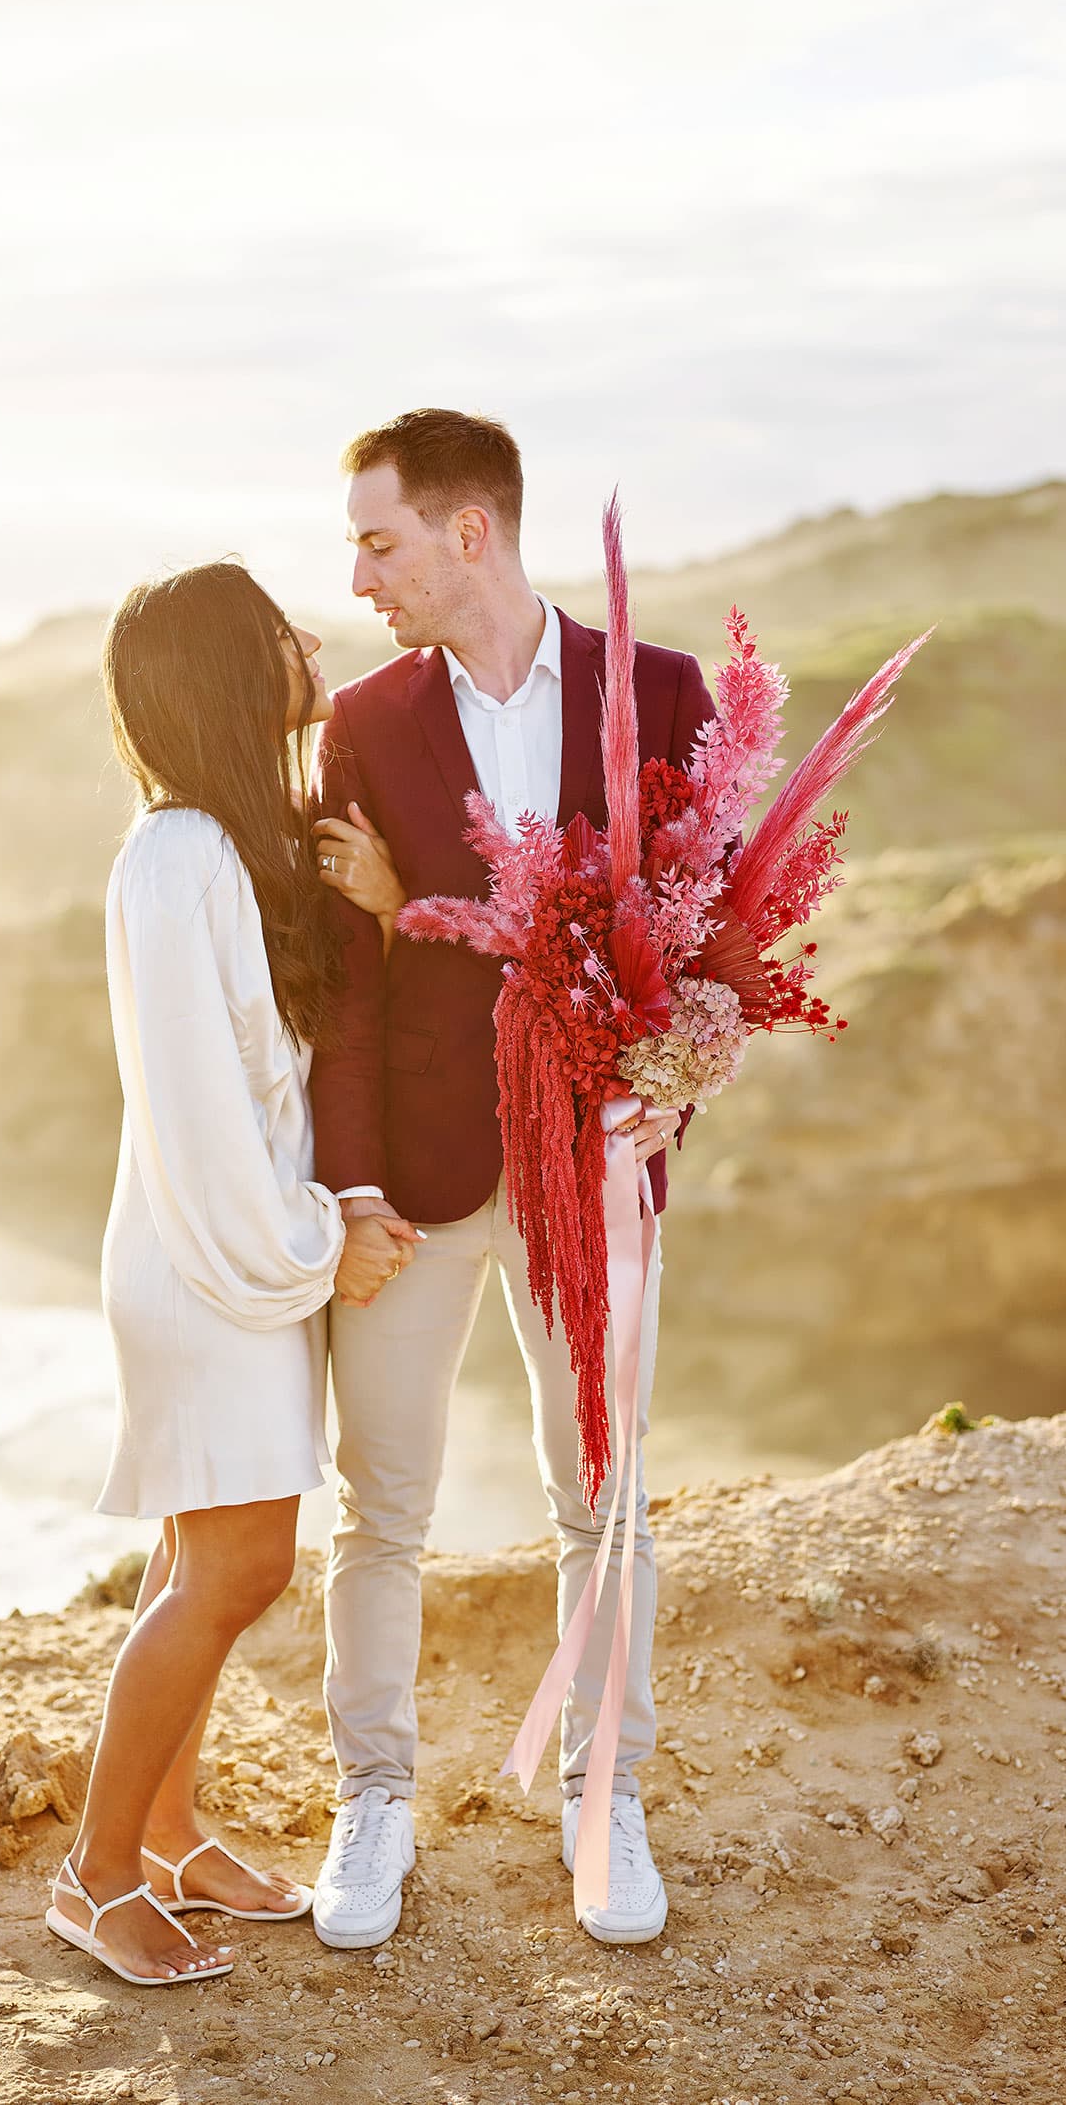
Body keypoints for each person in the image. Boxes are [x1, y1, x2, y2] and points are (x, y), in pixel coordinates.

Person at [304, 409, 716, 1950]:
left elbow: (697, 941)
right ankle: (375, 1796)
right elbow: (349, 983)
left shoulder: (660, 695)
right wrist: (347, 1185)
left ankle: (606, 1789)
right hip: (415, 1174)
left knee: (603, 1501)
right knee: (381, 1505)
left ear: (468, 530)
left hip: (593, 1166)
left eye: (379, 539)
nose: (359, 574)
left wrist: (668, 1099)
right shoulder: (359, 720)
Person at [46, 561, 418, 1987]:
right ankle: (93, 1878)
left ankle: (171, 1835)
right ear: (226, 667)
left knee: (192, 1558)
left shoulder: (224, 843)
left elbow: (271, 1085)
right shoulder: (177, 856)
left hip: (227, 1252)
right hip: (212, 1266)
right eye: (279, 630)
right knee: (243, 1564)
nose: (309, 638)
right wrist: (326, 1241)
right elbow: (202, 1118)